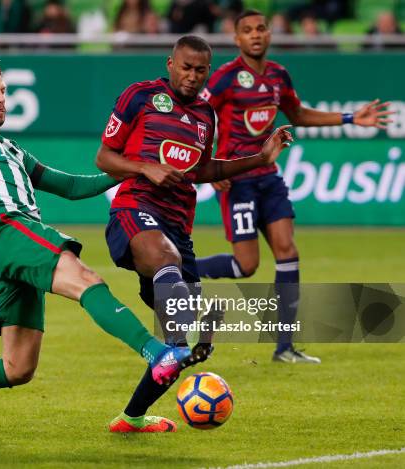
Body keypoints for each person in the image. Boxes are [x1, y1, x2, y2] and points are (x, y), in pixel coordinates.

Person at [0, 58, 208, 436]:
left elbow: (68, 186)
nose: (1, 99)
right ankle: (157, 353)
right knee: (85, 279)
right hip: (5, 228)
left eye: (3, 91)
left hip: (5, 248)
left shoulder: (10, 148)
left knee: (17, 368)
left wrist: (136, 168)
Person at [96, 35, 294, 432]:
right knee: (167, 271)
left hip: (177, 226)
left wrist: (262, 157)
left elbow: (203, 171)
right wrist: (144, 168)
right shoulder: (140, 96)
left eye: (200, 70)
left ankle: (132, 417)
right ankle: (178, 346)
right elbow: (104, 157)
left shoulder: (206, 114)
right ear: (171, 63)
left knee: (180, 344)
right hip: (134, 209)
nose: (192, 76)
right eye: (185, 67)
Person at [195, 10, 393, 363]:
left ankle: (284, 348)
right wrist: (209, 163)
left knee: (288, 252)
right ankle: (183, 269)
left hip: (269, 179)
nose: (255, 35)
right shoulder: (225, 79)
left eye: (261, 28)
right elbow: (198, 114)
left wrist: (351, 118)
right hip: (237, 180)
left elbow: (298, 114)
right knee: (246, 266)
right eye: (247, 30)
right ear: (237, 39)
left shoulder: (277, 75)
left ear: (269, 34)